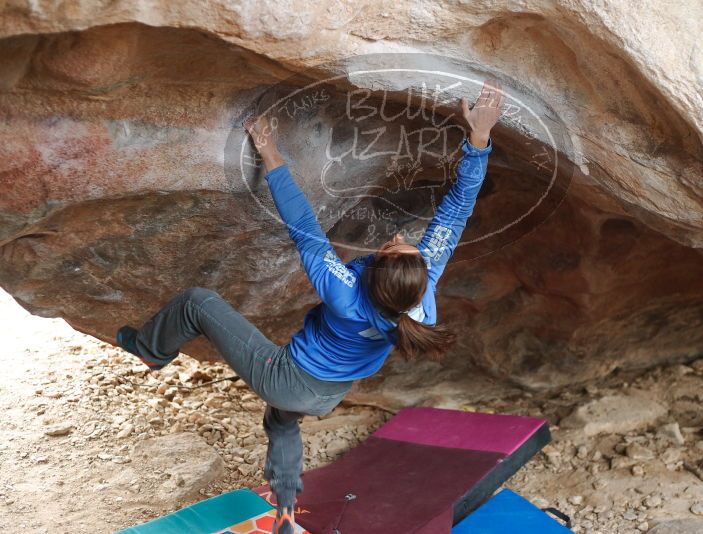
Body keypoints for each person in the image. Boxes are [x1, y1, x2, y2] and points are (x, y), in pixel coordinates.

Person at [115, 78, 503, 534]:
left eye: (395, 247)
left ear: (375, 273)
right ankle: (285, 513)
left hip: (287, 376)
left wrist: (271, 153)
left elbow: (304, 226)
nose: (400, 239)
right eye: (408, 247)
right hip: (329, 393)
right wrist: (479, 138)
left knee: (199, 302)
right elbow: (457, 209)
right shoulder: (424, 286)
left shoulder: (344, 294)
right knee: (281, 423)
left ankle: (150, 349)